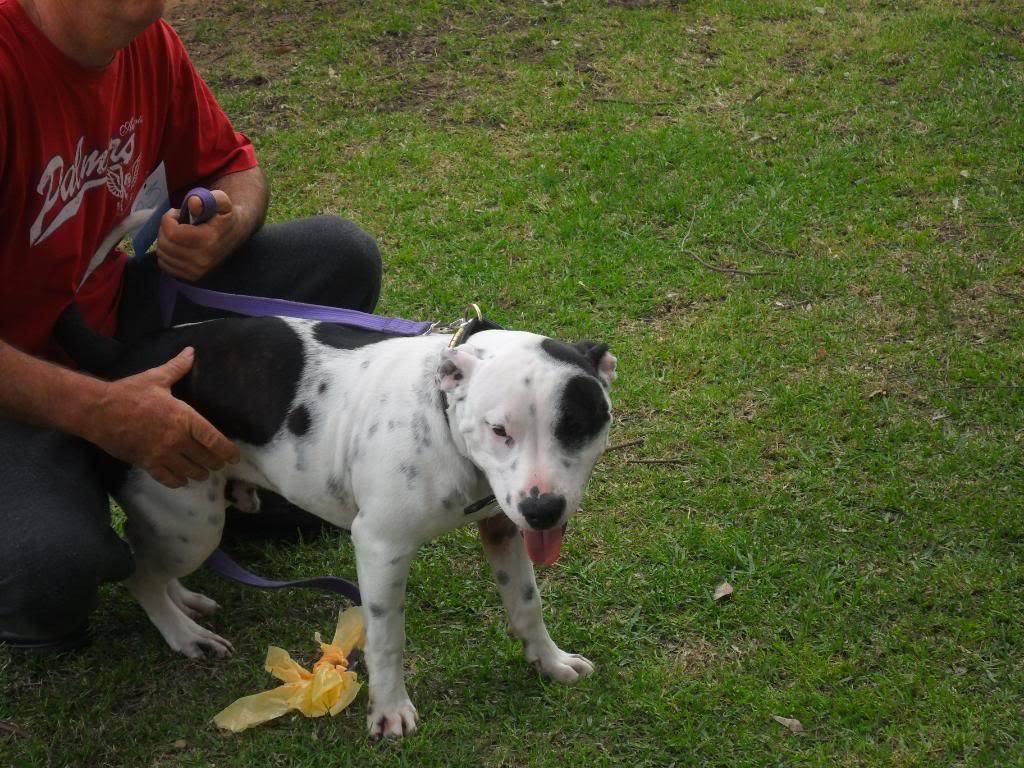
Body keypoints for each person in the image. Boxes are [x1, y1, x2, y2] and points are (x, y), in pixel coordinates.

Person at [0, 0, 383, 651]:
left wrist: (226, 221)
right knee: (49, 573)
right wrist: (101, 412)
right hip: (18, 393)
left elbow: (237, 168)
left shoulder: (145, 39)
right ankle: (84, 495)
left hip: (116, 326)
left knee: (338, 261)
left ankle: (211, 488)